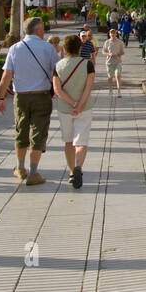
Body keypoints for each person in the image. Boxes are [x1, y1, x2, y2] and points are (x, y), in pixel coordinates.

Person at [0, 16, 58, 185]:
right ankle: (34, 172)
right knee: (38, 133)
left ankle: (20, 168)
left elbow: (6, 75)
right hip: (42, 95)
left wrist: (1, 97)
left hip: (21, 97)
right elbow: (56, 72)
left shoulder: (15, 48)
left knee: (21, 131)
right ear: (38, 30)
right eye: (43, 28)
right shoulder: (48, 48)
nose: (44, 31)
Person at [54, 35, 96, 188]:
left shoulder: (58, 66)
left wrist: (72, 103)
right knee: (82, 140)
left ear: (64, 49)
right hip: (84, 108)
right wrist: (80, 105)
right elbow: (88, 87)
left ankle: (72, 172)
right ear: (80, 48)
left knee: (68, 141)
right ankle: (79, 166)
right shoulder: (87, 65)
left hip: (64, 109)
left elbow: (57, 90)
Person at [102, 28, 126, 97]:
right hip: (109, 62)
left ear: (116, 34)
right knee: (110, 77)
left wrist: (118, 54)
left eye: (114, 33)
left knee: (117, 75)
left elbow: (123, 52)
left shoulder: (120, 42)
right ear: (109, 34)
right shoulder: (107, 42)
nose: (112, 34)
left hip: (118, 61)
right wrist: (109, 54)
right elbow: (103, 52)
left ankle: (119, 91)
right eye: (111, 33)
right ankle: (110, 91)